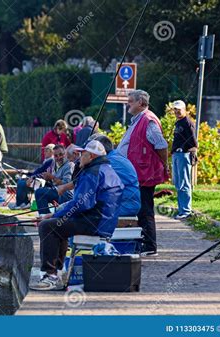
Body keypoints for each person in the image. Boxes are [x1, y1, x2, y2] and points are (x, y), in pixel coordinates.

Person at [30, 140, 124, 291]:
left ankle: (50, 276)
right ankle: (58, 272)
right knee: (56, 225)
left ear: (91, 156)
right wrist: (55, 215)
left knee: (47, 227)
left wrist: (54, 216)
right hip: (104, 222)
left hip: (94, 222)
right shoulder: (107, 169)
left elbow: (81, 204)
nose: (79, 157)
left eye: (83, 154)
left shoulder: (92, 173)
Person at [116, 89, 169, 256]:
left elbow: (161, 145)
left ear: (141, 103)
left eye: (130, 101)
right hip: (137, 172)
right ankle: (141, 242)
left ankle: (149, 245)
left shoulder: (148, 120)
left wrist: (163, 164)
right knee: (139, 209)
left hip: (144, 173)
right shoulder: (138, 120)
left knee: (145, 209)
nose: (127, 104)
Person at [57, 135, 141, 218]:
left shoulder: (108, 162)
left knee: (80, 214)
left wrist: (62, 206)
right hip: (128, 203)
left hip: (125, 206)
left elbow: (88, 185)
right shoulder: (116, 156)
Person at [171, 100, 197, 219]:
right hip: (177, 154)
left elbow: (193, 141)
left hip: (184, 155)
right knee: (178, 183)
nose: (176, 111)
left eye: (179, 109)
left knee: (184, 183)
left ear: (184, 109)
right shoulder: (178, 122)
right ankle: (181, 210)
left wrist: (184, 149)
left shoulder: (187, 122)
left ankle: (186, 210)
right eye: (175, 109)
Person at [8, 144, 55, 210]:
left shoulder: (51, 161)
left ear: (51, 152)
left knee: (22, 183)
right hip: (39, 180)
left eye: (46, 151)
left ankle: (22, 203)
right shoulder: (47, 160)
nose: (44, 152)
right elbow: (38, 171)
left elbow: (46, 174)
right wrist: (26, 172)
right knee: (21, 180)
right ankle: (23, 203)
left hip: (45, 183)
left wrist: (32, 177)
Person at [35, 145, 74, 215]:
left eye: (61, 154)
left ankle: (45, 217)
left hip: (66, 195)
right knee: (40, 189)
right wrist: (46, 179)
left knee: (40, 192)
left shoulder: (69, 165)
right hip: (58, 192)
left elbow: (67, 184)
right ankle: (46, 216)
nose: (59, 157)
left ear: (65, 154)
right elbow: (54, 182)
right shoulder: (55, 165)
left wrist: (52, 177)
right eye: (56, 156)